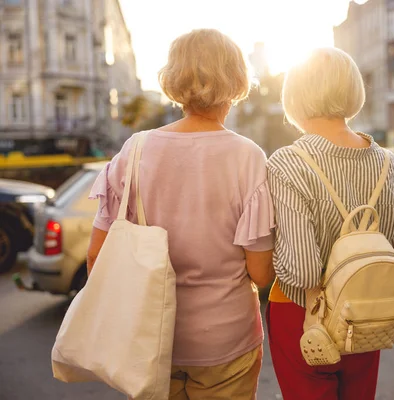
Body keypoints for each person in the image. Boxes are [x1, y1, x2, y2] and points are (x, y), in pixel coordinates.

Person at [86, 29, 274, 400]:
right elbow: (260, 273)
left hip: (151, 339)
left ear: (174, 80)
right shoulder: (248, 156)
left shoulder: (135, 150)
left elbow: (97, 256)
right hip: (226, 341)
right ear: (236, 80)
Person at [265, 47, 394, 400]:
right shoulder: (392, 165)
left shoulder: (288, 163)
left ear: (295, 96)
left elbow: (302, 273)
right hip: (367, 311)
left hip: (304, 317)